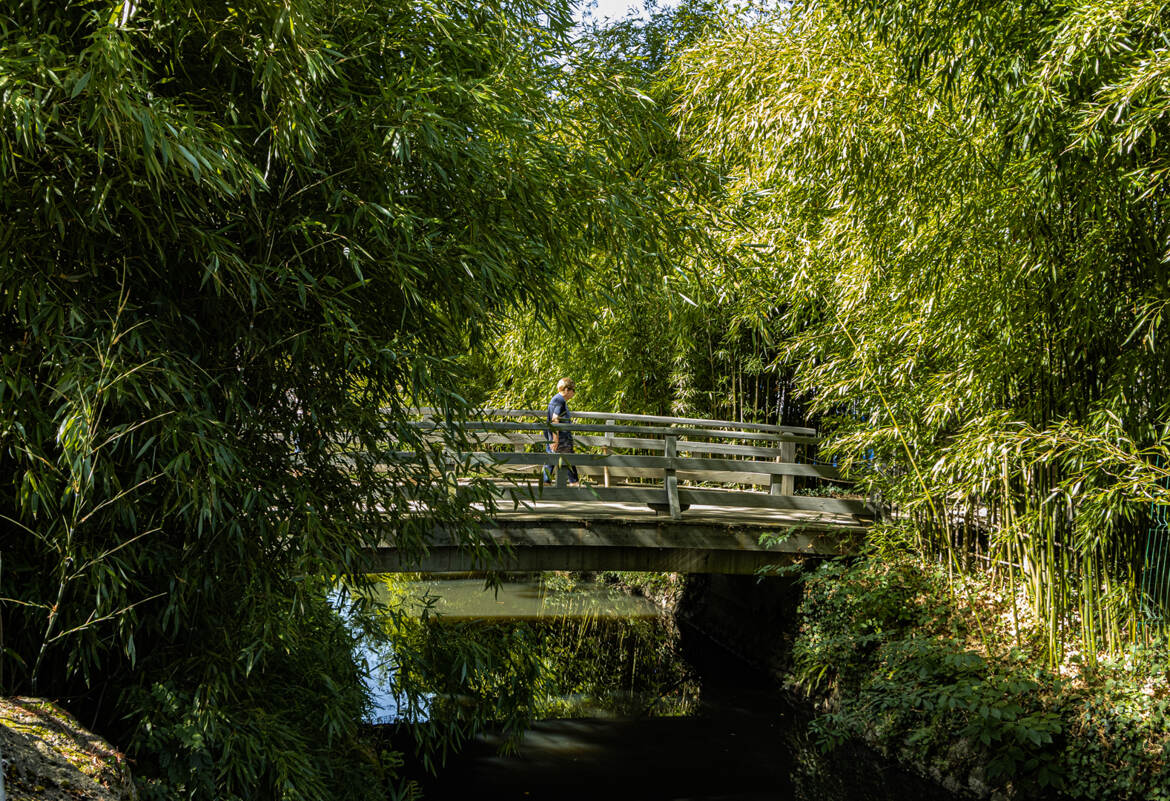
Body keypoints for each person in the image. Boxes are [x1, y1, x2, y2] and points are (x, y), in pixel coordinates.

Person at [542, 378, 579, 487]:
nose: (574, 393)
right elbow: (555, 419)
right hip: (560, 439)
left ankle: (546, 483)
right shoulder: (559, 400)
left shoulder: (556, 399)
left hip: (557, 437)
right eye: (573, 390)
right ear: (567, 390)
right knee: (568, 460)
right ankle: (574, 483)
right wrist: (555, 439)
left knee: (552, 460)